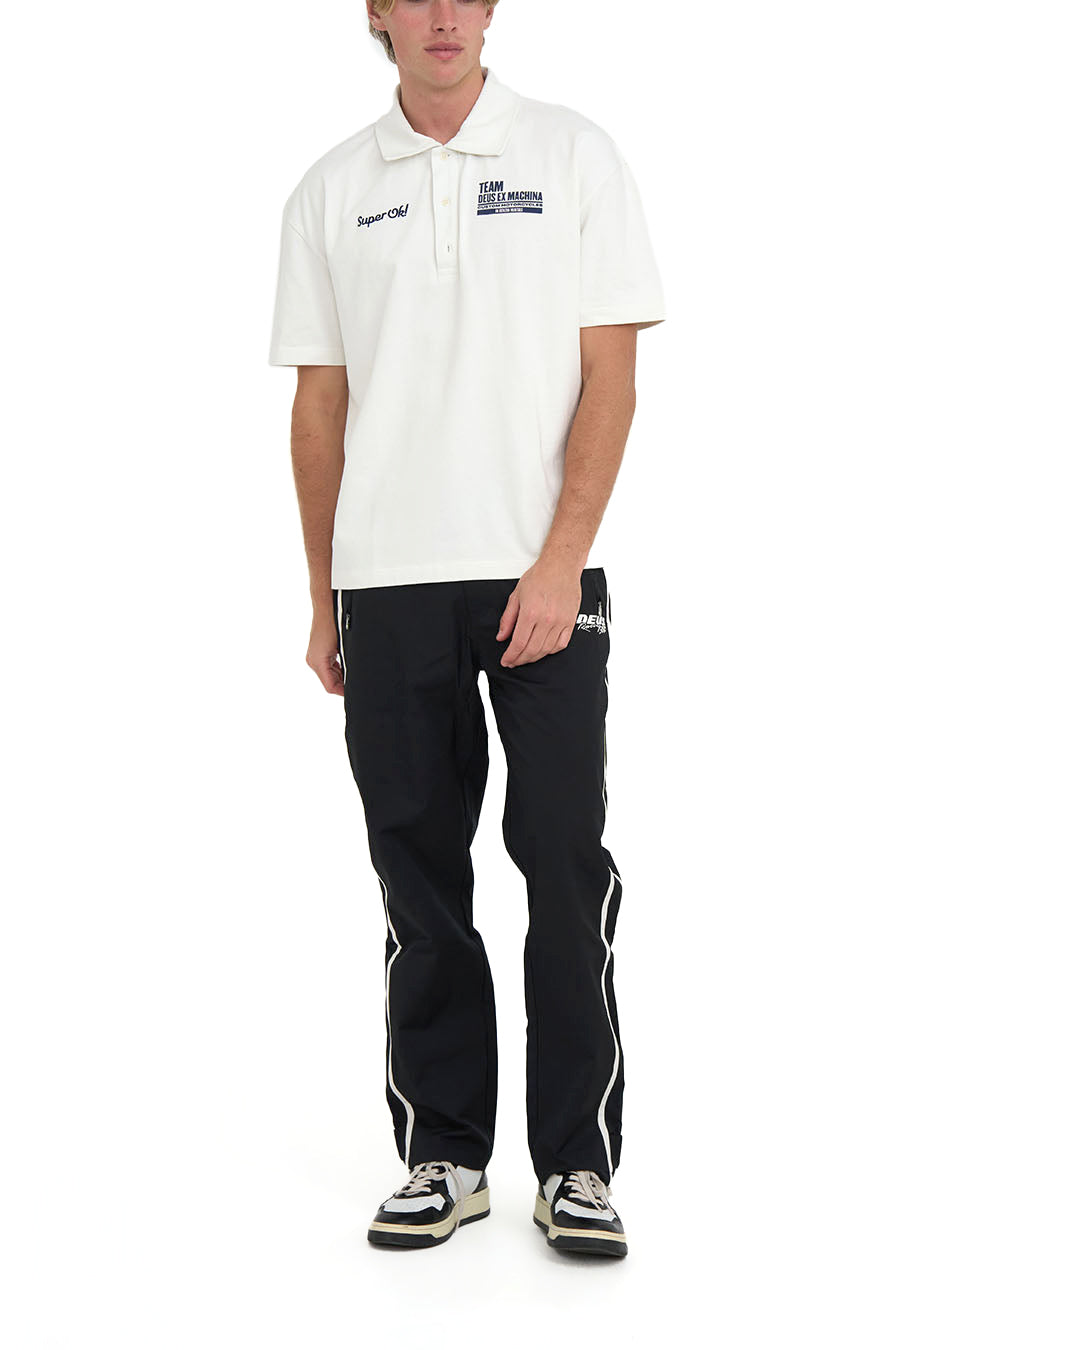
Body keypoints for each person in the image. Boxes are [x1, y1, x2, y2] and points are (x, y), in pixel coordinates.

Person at [268, 0, 665, 1258]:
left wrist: (560, 562)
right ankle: (445, 1152)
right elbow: (320, 407)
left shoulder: (574, 155)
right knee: (418, 874)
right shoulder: (330, 191)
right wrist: (325, 592)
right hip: (389, 583)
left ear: (491, 9)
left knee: (565, 864)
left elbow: (612, 377)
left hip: (542, 577)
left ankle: (577, 1166)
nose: (444, 15)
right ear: (376, 13)